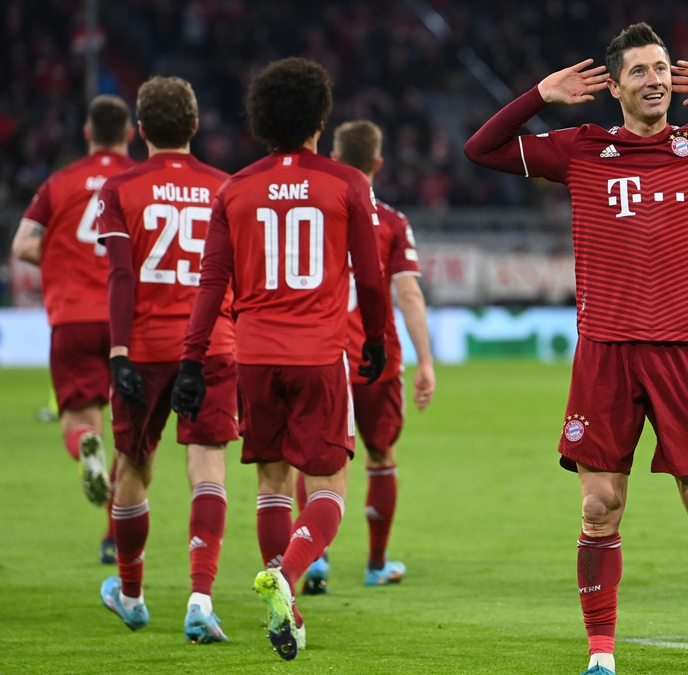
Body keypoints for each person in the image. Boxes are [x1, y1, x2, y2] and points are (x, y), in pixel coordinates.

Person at [465, 22, 688, 675]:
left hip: (682, 350)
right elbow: (480, 147)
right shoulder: (580, 148)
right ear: (615, 85)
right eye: (639, 71)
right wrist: (539, 95)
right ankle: (601, 655)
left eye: (661, 68)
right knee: (599, 508)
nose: (655, 79)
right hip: (603, 351)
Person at [172, 57, 389, 660]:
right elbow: (370, 280)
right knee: (328, 489)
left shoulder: (234, 187)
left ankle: (283, 602)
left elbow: (211, 286)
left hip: (255, 358)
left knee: (270, 481)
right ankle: (287, 575)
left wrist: (192, 362)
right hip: (320, 354)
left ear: (260, 119)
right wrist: (376, 339)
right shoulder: (348, 182)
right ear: (321, 115)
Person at [93, 76, 237, 643]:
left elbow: (123, 275)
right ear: (196, 126)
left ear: (142, 130)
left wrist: (119, 353)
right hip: (212, 346)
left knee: (133, 466)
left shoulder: (118, 188)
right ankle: (201, 600)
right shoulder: (228, 187)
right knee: (208, 465)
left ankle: (130, 595)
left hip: (146, 347)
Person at [297, 120, 436, 593]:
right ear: (378, 163)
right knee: (381, 455)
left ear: (335, 158)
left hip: (321, 353)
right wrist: (427, 363)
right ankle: (376, 564)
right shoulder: (393, 222)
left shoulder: (315, 211)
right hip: (378, 362)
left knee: (317, 459)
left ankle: (314, 560)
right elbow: (409, 295)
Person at [11, 96, 136, 557]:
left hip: (73, 319)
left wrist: (63, 262)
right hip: (128, 320)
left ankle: (85, 445)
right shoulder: (138, 182)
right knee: (129, 430)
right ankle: (113, 538)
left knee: (80, 420)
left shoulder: (59, 182)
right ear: (130, 133)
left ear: (87, 133)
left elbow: (23, 245)